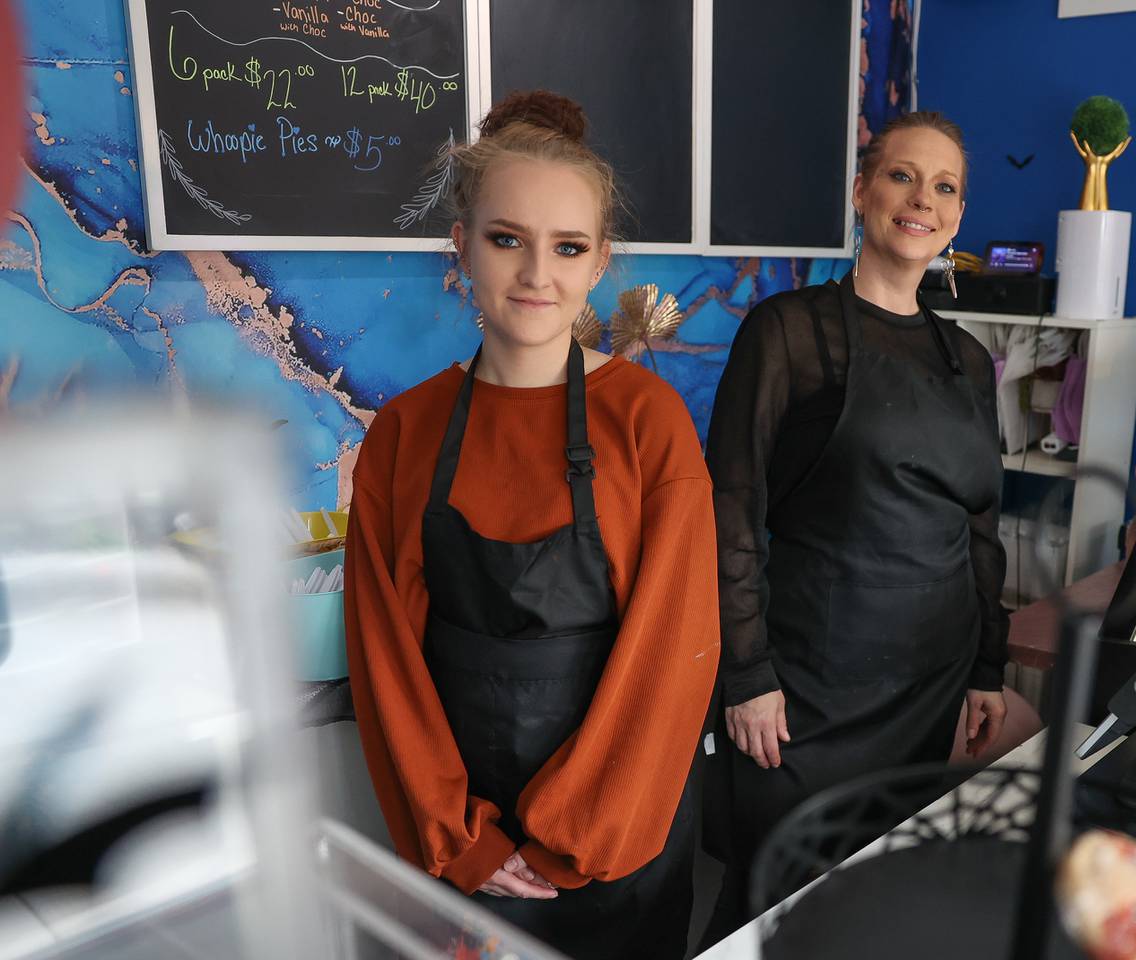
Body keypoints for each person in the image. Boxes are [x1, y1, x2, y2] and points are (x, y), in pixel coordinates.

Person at [344, 90, 718, 960]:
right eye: (506, 238)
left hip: (614, 839)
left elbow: (675, 650)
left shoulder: (648, 423)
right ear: (460, 246)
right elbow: (384, 655)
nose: (536, 274)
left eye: (569, 247)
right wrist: (461, 837)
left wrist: (572, 835)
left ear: (600, 263)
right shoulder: (405, 431)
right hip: (461, 840)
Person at [702, 110, 1009, 931]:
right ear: (862, 189)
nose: (923, 200)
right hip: (808, 689)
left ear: (959, 216)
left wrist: (987, 666)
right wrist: (746, 673)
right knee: (771, 910)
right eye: (904, 175)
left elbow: (981, 523)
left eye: (946, 187)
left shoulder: (968, 358)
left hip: (930, 680)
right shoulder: (788, 331)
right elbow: (729, 504)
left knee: (875, 910)